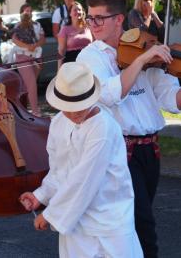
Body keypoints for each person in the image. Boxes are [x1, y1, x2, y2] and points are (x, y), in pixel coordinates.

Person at [76, 0, 181, 258]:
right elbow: (112, 94)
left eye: (99, 18)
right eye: (90, 19)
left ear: (119, 20)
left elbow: (173, 101)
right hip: (118, 152)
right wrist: (141, 60)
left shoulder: (146, 48)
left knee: (137, 224)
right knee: (142, 226)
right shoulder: (90, 57)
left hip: (150, 150)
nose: (93, 24)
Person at [20, 62, 142, 258]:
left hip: (109, 221)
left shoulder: (103, 128)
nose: (75, 113)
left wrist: (52, 214)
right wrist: (40, 195)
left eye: (80, 106)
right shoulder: (59, 122)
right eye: (69, 107)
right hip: (76, 223)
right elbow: (60, 169)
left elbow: (85, 178)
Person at [11, 4, 46, 117]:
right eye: (26, 11)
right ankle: (35, 112)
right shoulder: (18, 25)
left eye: (30, 11)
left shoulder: (37, 25)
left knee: (28, 85)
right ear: (21, 13)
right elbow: (14, 39)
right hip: (22, 57)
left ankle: (22, 109)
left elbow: (42, 38)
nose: (29, 13)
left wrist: (35, 45)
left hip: (36, 56)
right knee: (31, 84)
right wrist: (28, 46)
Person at [57, 2, 92, 70]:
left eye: (79, 9)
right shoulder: (65, 29)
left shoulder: (89, 27)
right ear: (70, 13)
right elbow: (61, 51)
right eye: (75, 10)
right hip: (72, 63)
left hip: (89, 62)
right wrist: (59, 70)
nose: (78, 11)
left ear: (82, 12)